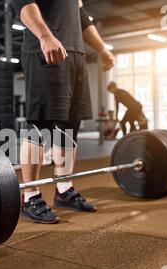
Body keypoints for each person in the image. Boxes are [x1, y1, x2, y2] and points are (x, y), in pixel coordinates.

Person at [13, 0, 115, 224]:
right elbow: (23, 4)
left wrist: (101, 48)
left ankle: (64, 187)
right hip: (45, 49)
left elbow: (81, 17)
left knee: (71, 126)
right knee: (41, 125)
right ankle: (29, 195)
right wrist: (45, 36)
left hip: (75, 55)